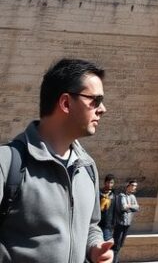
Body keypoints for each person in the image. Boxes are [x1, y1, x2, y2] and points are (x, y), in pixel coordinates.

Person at [0, 58, 114, 263]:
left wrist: (94, 247)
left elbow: (91, 225)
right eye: (95, 100)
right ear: (65, 103)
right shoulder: (7, 162)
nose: (102, 109)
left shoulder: (87, 167)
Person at [113, 180, 140, 262]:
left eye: (135, 186)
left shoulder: (133, 197)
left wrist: (129, 207)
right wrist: (131, 207)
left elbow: (137, 208)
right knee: (116, 244)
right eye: (133, 185)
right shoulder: (121, 195)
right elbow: (123, 207)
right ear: (128, 185)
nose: (134, 187)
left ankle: (115, 260)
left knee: (121, 244)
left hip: (127, 224)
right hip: (120, 223)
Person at [100, 174, 118, 241]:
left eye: (111, 183)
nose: (110, 184)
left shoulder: (114, 195)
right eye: (108, 182)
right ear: (105, 182)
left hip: (108, 224)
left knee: (107, 242)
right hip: (98, 222)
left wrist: (114, 223)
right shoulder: (99, 193)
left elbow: (115, 210)